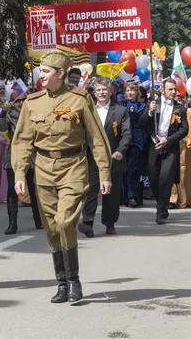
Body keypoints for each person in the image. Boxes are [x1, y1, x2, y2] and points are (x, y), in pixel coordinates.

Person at [11, 50, 112, 304]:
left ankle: (74, 279)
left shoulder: (80, 99)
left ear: (60, 73)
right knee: (52, 228)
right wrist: (20, 173)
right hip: (43, 170)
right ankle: (62, 283)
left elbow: (96, 138)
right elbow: (22, 141)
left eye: (45, 71)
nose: (41, 75)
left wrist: (104, 172)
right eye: (40, 70)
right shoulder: (31, 102)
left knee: (66, 221)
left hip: (73, 167)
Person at [78, 77, 130, 237]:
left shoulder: (121, 111)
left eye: (104, 89)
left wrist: (121, 150)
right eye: (98, 90)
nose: (101, 92)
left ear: (111, 91)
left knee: (111, 192)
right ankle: (87, 222)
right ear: (94, 92)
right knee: (91, 190)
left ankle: (110, 222)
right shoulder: (88, 109)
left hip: (113, 157)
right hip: (92, 156)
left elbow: (127, 134)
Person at [139, 78, 189, 224]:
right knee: (154, 178)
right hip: (154, 145)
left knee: (165, 179)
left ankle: (161, 211)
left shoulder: (180, 109)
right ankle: (161, 201)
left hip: (169, 147)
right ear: (162, 89)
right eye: (170, 89)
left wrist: (169, 140)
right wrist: (149, 112)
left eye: (175, 89)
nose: (173, 92)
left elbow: (184, 129)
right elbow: (141, 123)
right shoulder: (154, 104)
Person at [0, 91, 42, 234]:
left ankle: (39, 219)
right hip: (13, 155)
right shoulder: (10, 116)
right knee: (12, 190)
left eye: (23, 100)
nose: (20, 104)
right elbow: (0, 126)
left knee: (34, 189)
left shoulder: (33, 113)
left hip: (32, 155)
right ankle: (12, 223)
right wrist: (4, 111)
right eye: (17, 101)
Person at [121, 82, 147, 208]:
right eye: (128, 90)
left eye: (133, 90)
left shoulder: (141, 106)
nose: (130, 93)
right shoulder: (121, 104)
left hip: (136, 140)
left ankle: (132, 195)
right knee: (122, 169)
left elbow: (143, 122)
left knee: (133, 168)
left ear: (137, 92)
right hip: (122, 140)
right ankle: (122, 196)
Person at [169, 93, 190, 209]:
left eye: (182, 97)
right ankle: (173, 198)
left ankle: (185, 199)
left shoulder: (188, 111)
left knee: (184, 172)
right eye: (178, 96)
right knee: (173, 170)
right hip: (174, 143)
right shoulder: (171, 110)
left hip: (187, 145)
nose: (180, 99)